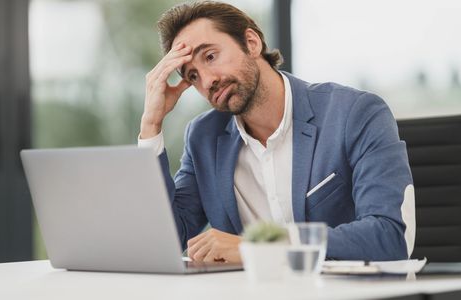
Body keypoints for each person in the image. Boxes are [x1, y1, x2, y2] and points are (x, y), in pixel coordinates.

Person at [138, 1, 414, 263]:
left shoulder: (354, 114)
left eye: (210, 56)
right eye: (192, 76)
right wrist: (151, 125)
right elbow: (165, 239)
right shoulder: (203, 139)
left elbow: (388, 237)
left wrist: (261, 247)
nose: (208, 80)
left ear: (251, 42)